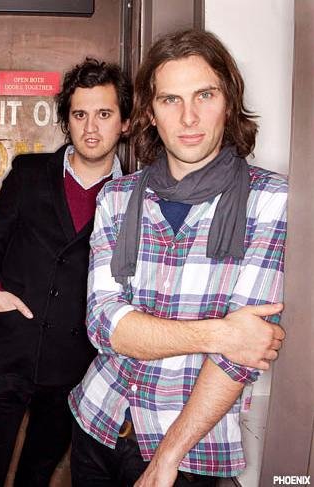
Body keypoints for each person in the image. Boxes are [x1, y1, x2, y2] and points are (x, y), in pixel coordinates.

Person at [69, 29, 287, 487]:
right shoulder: (118, 197)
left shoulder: (271, 200)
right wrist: (221, 333)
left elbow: (239, 358)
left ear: (228, 101)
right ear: (149, 112)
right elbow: (105, 325)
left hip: (187, 450)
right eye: (170, 100)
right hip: (97, 420)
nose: (189, 117)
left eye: (204, 95)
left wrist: (167, 457)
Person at [0, 58, 132, 487]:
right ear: (66, 121)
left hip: (74, 369)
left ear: (125, 123)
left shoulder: (134, 195)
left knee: (36, 478)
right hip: (6, 353)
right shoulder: (30, 172)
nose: (91, 127)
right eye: (80, 114)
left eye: (104, 114)